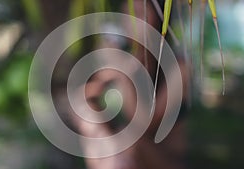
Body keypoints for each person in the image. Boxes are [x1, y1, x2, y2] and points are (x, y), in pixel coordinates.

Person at [70, 0, 189, 168]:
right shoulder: (126, 58)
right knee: (89, 118)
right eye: (127, 14)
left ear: (160, 18)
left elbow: (142, 126)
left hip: (165, 159)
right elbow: (86, 95)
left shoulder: (178, 69)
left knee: (128, 144)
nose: (131, 22)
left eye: (139, 14)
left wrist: (124, 74)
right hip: (126, 154)